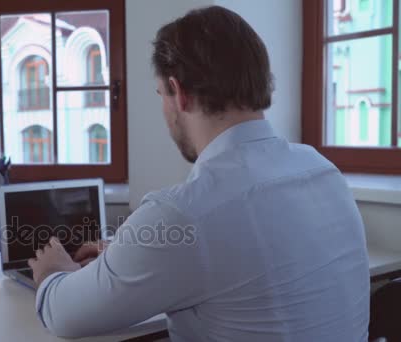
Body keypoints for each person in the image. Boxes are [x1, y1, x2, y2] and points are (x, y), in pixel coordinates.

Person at [28, 6, 370, 341]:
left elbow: (64, 315)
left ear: (179, 93)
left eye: (161, 94)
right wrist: (127, 253)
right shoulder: (324, 172)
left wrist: (54, 271)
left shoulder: (181, 215)